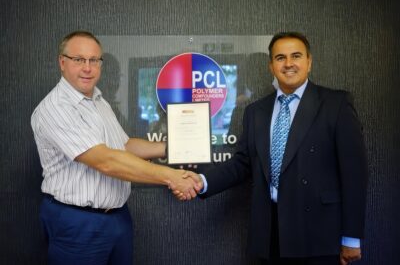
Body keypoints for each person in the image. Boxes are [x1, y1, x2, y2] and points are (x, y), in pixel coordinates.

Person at [182, 32, 368, 265]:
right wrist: (201, 181)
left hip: (318, 234)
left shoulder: (336, 104)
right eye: (280, 58)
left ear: (309, 62)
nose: (288, 63)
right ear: (271, 66)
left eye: (296, 56)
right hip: (269, 235)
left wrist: (352, 237)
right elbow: (242, 163)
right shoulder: (256, 112)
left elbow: (354, 174)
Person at [31, 30, 201, 265]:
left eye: (94, 60)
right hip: (78, 223)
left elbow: (124, 146)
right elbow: (106, 161)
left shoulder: (99, 102)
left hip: (117, 218)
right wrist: (172, 177)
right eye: (78, 60)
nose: (87, 68)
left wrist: (175, 148)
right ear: (62, 62)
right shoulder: (56, 108)